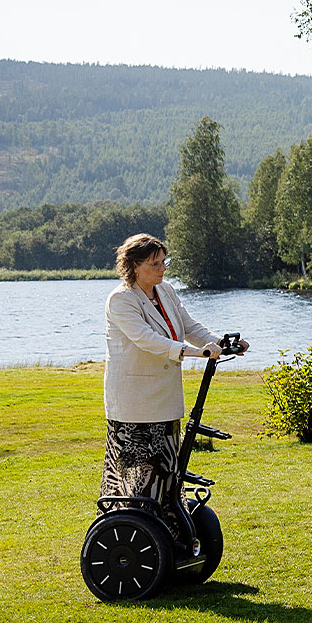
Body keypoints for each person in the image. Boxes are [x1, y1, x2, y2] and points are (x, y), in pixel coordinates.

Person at [100, 233, 247, 546]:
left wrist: (220, 343)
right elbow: (147, 340)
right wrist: (193, 352)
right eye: (154, 263)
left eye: (163, 262)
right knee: (138, 476)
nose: (162, 268)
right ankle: (133, 538)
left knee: (167, 472)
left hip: (165, 401)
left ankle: (168, 538)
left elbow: (190, 326)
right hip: (134, 406)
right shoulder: (121, 300)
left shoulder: (165, 291)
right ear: (134, 265)